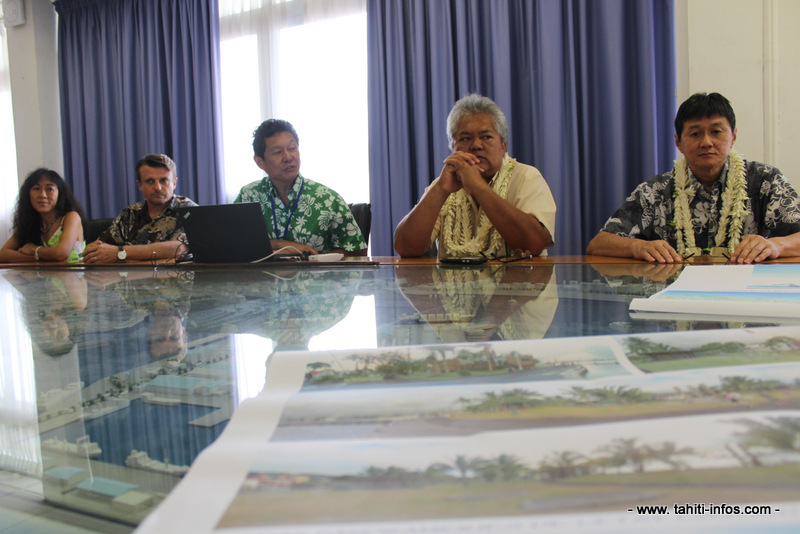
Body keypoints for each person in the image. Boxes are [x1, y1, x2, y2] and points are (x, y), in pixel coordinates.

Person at [587, 92, 800, 264]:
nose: (706, 142)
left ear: (733, 136)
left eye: (716, 132)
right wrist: (638, 247)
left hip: (748, 298)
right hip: (675, 297)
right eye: (695, 134)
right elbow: (598, 244)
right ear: (678, 142)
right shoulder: (656, 191)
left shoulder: (765, 181)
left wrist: (777, 245)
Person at [394, 94, 556, 258]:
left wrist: (478, 187)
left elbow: (534, 244)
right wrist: (440, 190)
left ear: (503, 146)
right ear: (453, 149)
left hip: (518, 283)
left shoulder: (526, 177)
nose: (476, 145)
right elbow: (405, 248)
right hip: (452, 284)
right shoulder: (445, 184)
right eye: (465, 138)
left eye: (486, 137)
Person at [234, 119, 367, 256]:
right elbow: (232, 244)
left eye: (292, 148)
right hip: (260, 277)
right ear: (260, 162)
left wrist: (313, 261)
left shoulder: (328, 200)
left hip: (315, 276)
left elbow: (358, 252)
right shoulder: (248, 196)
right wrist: (281, 245)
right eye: (278, 152)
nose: (288, 157)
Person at [82, 154, 197, 263]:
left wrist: (120, 253)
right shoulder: (130, 213)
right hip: (129, 281)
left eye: (163, 180)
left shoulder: (189, 210)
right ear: (140, 185)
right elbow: (100, 247)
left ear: (174, 183)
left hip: (174, 281)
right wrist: (96, 252)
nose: (157, 187)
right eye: (150, 181)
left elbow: (177, 249)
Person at [0, 168, 86, 263]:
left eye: (49, 189)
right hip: (43, 277)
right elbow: (2, 254)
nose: (43, 195)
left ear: (60, 194)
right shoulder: (29, 222)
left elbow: (61, 253)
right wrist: (37, 257)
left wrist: (33, 250)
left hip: (73, 276)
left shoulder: (71, 217)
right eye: (36, 189)